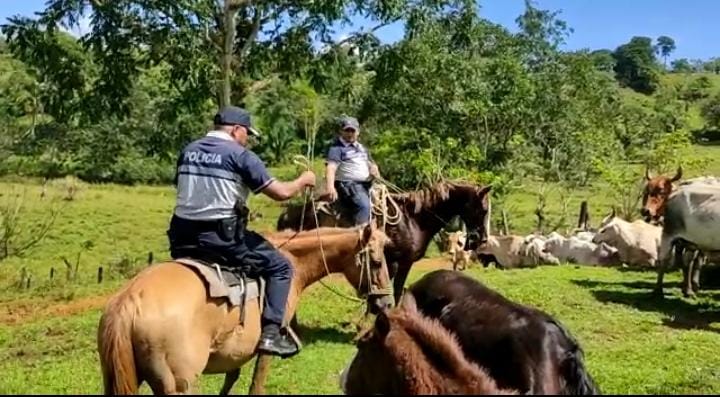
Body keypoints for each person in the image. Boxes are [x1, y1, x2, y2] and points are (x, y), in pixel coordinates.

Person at [166, 105, 316, 358]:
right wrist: (304, 180)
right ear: (236, 130)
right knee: (281, 267)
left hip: (182, 237)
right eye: (247, 133)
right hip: (222, 240)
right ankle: (271, 335)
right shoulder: (240, 155)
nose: (248, 139)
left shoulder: (188, 151)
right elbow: (280, 193)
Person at [324, 116, 380, 225]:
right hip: (349, 185)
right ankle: (360, 235)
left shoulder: (362, 148)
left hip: (367, 185)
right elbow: (331, 168)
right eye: (347, 130)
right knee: (364, 206)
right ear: (341, 131)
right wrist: (330, 187)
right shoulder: (336, 149)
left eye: (352, 130)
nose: (350, 133)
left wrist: (374, 169)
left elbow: (371, 164)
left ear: (358, 132)